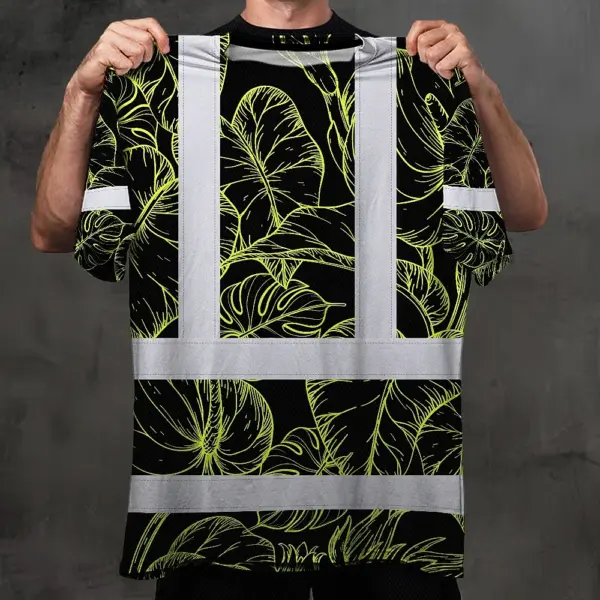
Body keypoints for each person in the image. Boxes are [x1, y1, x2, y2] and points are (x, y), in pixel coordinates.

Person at [31, 1, 548, 599]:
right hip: (212, 519)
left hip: (391, 514)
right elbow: (53, 232)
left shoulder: (421, 79)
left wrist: (479, 88)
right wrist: (82, 93)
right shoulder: (161, 81)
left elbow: (527, 211)